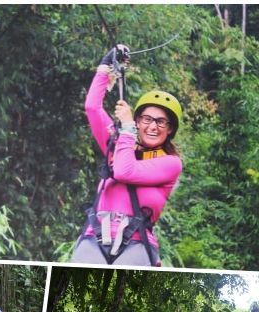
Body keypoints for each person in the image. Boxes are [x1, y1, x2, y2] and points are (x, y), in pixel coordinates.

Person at [71, 44, 183, 266]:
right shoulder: (119, 143)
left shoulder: (171, 164)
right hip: (95, 235)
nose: (153, 126)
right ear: (140, 121)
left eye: (161, 122)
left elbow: (124, 171)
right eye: (147, 119)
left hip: (137, 240)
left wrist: (128, 126)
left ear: (169, 129)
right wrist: (106, 67)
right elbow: (92, 108)